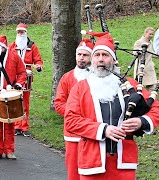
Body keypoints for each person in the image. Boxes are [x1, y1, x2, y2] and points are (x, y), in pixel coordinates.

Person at [64, 32, 159, 179]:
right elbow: (70, 120)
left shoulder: (130, 85)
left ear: (113, 60)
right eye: (97, 55)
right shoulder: (80, 87)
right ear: (92, 60)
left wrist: (142, 121)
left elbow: (155, 108)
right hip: (92, 161)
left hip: (124, 162)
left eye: (105, 55)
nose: (100, 59)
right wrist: (103, 130)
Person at [54, 38, 93, 180]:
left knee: (92, 170)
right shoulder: (67, 78)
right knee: (73, 171)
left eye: (85, 55)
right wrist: (76, 115)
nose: (81, 58)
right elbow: (59, 104)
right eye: (79, 55)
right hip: (72, 134)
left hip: (92, 134)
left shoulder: (97, 78)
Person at [8, 23, 43, 137]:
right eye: (18, 32)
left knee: (25, 103)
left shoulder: (32, 46)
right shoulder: (12, 46)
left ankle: (24, 126)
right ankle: (16, 126)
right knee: (15, 101)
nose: (20, 34)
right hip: (15, 77)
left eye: (22, 32)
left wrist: (38, 66)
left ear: (25, 33)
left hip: (26, 76)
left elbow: (38, 60)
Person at [133, 27, 157, 92]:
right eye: (150, 34)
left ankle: (150, 100)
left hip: (150, 67)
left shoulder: (151, 42)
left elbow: (151, 53)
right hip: (142, 68)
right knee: (140, 86)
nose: (151, 36)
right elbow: (134, 53)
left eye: (152, 34)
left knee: (153, 86)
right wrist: (141, 50)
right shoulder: (139, 42)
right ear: (145, 33)